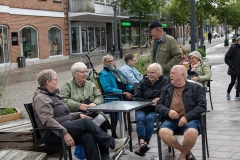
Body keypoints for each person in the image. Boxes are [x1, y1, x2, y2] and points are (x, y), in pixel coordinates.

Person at [32, 69, 130, 160]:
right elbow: (48, 120)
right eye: (55, 80)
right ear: (48, 82)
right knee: (86, 122)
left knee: (88, 136)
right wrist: (64, 133)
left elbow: (63, 115)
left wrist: (78, 115)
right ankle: (113, 143)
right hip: (52, 133)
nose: (57, 81)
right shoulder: (41, 98)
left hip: (64, 126)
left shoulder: (54, 95)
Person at [60, 62, 110, 159]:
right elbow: (63, 101)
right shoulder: (68, 85)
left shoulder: (90, 84)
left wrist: (94, 103)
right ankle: (98, 151)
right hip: (77, 116)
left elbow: (99, 97)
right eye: (82, 72)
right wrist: (79, 106)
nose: (85, 74)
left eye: (86, 72)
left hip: (93, 112)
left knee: (102, 120)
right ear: (75, 73)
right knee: (91, 129)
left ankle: (104, 154)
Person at [156, 65, 207, 160]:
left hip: (190, 120)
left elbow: (202, 106)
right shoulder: (166, 89)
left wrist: (187, 117)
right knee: (163, 132)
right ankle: (186, 152)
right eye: (170, 73)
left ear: (182, 75)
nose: (170, 75)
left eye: (173, 73)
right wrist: (168, 111)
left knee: (191, 132)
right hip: (171, 120)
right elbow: (159, 106)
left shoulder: (196, 88)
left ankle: (182, 156)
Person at [133, 63, 169, 156]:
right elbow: (136, 98)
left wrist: (159, 100)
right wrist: (150, 101)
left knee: (150, 119)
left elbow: (168, 97)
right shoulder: (143, 81)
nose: (149, 75)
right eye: (148, 72)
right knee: (140, 119)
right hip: (142, 108)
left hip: (156, 109)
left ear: (158, 73)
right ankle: (142, 143)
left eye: (152, 73)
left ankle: (146, 143)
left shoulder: (165, 81)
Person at [99, 54, 133, 138]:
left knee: (139, 92)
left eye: (112, 60)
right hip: (113, 97)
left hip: (124, 94)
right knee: (116, 112)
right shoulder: (103, 74)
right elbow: (107, 89)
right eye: (108, 61)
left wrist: (134, 88)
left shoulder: (117, 71)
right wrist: (123, 92)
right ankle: (113, 132)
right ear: (104, 63)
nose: (111, 62)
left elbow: (125, 83)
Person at [224, 36, 240, 101]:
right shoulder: (233, 48)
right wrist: (231, 64)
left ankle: (237, 96)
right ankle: (228, 93)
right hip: (234, 68)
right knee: (233, 82)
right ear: (238, 41)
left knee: (239, 82)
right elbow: (227, 57)